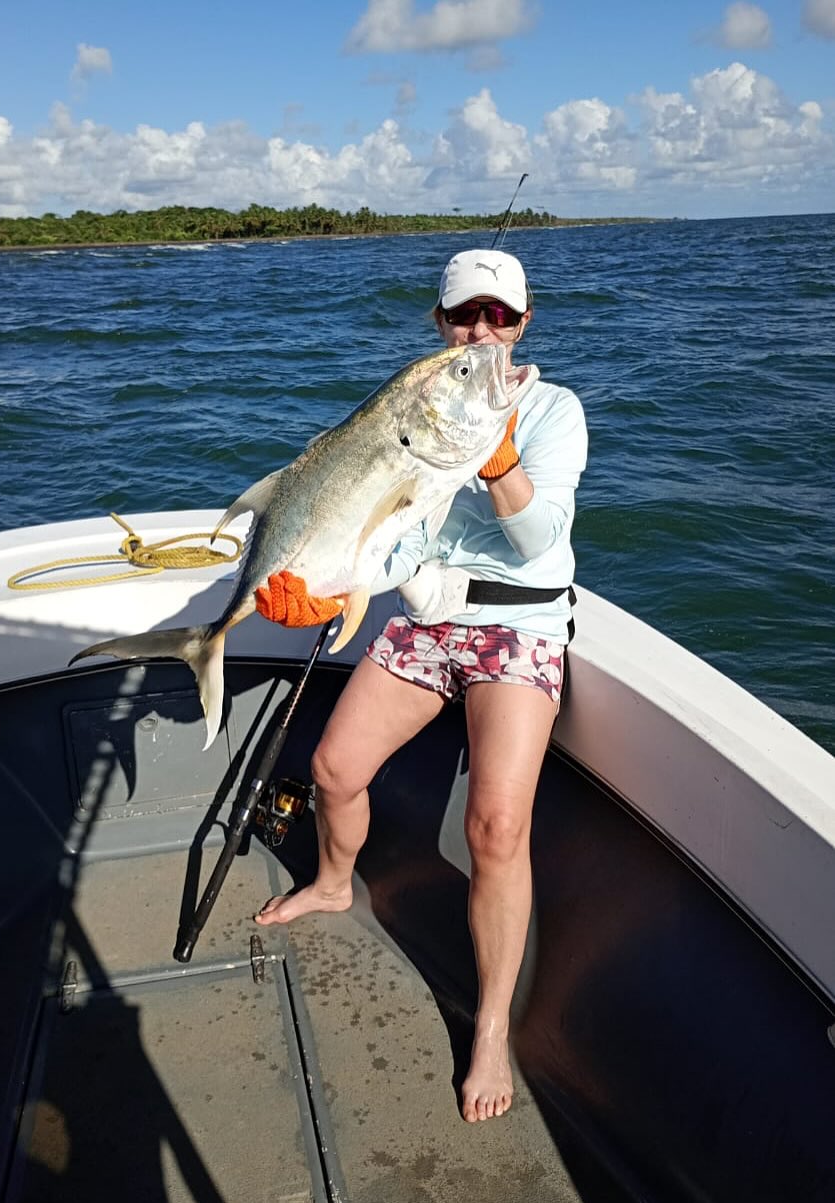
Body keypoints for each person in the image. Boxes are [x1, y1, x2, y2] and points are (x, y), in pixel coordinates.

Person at [253, 248, 588, 1123]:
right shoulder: (413, 411)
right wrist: (317, 592)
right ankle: (331, 881)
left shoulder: (551, 411)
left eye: (499, 317)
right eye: (463, 317)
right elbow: (389, 538)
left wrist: (498, 454)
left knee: (496, 824)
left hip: (521, 625)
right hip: (427, 616)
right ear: (439, 326)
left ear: (523, 322)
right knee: (332, 768)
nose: (483, 331)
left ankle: (488, 1031)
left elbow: (537, 537)